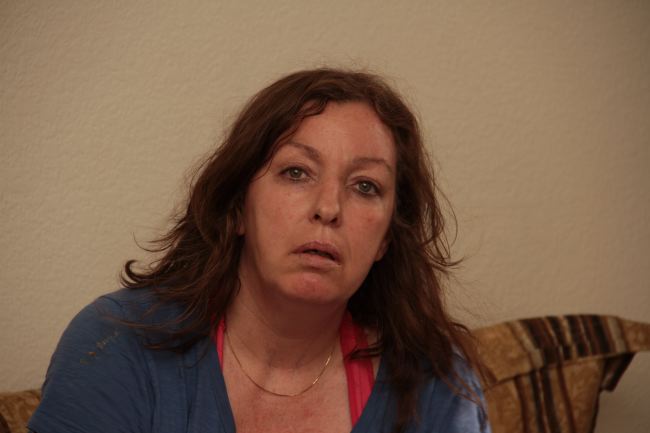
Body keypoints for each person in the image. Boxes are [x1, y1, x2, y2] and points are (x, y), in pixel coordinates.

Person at [29, 68, 490, 433]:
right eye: (296, 172)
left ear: (386, 238)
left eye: (365, 186)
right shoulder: (118, 345)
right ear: (237, 210)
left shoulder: (438, 384)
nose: (328, 208)